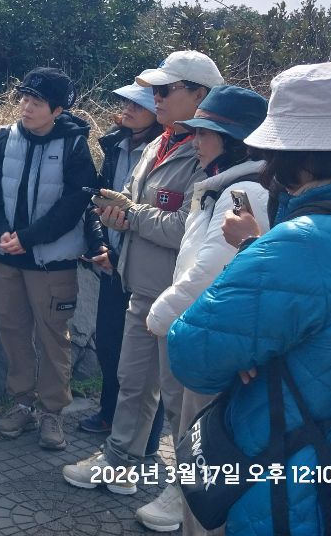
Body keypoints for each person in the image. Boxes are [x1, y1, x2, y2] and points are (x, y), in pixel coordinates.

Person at [169, 61, 331, 536]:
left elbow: (193, 354)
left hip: (299, 483)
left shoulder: (304, 242)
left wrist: (252, 252)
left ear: (300, 156)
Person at [62, 50, 223, 524]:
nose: (156, 98)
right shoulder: (162, 142)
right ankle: (120, 462)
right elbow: (143, 209)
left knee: (181, 400)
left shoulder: (213, 154)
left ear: (199, 94)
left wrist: (130, 216)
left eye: (165, 90)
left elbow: (188, 227)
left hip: (184, 297)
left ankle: (187, 490)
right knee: (133, 382)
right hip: (142, 286)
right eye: (155, 90)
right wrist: (120, 215)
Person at [142, 84, 268, 534]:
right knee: (185, 419)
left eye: (205, 132)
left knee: (200, 428)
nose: (195, 140)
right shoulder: (226, 184)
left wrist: (162, 314)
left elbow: (212, 268)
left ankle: (192, 502)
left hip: (204, 328)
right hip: (198, 324)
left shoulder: (243, 192)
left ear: (235, 141)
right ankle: (186, 494)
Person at [0, 67, 98, 450]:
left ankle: (52, 412)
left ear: (58, 110)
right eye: (24, 98)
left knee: (53, 337)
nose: (26, 107)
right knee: (12, 331)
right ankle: (22, 404)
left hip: (51, 261)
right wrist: (1, 231)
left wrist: (28, 238)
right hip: (7, 256)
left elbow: (75, 203)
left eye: (37, 102)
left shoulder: (75, 146)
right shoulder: (3, 138)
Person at [79, 81, 166, 459]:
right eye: (126, 102)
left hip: (146, 265)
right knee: (110, 344)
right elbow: (99, 200)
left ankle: (144, 440)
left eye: (137, 104)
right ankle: (110, 415)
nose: (127, 108)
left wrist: (117, 253)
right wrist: (101, 246)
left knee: (144, 362)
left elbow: (156, 217)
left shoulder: (168, 150)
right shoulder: (116, 145)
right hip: (112, 259)